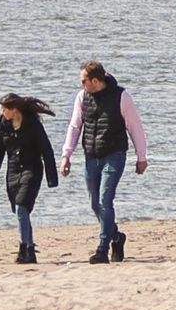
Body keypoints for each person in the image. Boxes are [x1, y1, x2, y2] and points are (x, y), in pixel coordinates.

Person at [59, 60, 148, 263]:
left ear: (96, 80)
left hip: (115, 154)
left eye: (84, 80)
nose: (81, 84)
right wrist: (66, 155)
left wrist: (141, 157)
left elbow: (135, 127)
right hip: (91, 155)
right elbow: (75, 127)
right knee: (94, 203)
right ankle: (117, 237)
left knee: (106, 200)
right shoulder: (82, 97)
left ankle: (102, 249)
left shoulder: (122, 97)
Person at [0, 93, 61, 264]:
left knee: (22, 207)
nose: (2, 112)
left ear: (14, 109)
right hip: (13, 172)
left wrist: (52, 178)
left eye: (4, 109)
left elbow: (46, 150)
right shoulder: (4, 124)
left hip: (32, 171)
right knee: (18, 211)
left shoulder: (33, 125)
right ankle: (29, 249)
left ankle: (25, 248)